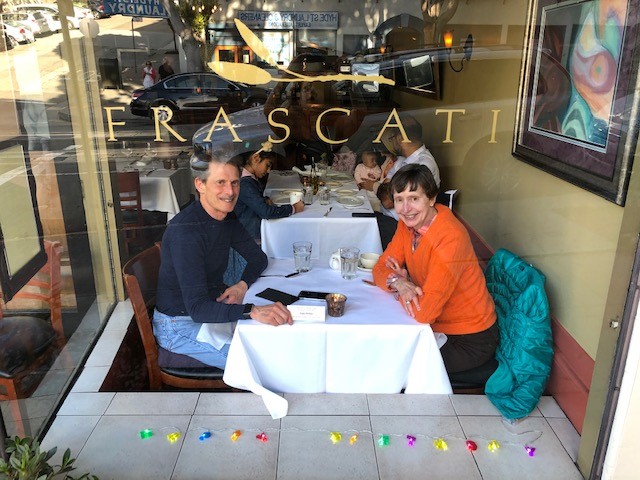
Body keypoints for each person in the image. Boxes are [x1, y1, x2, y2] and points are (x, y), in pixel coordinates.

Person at [153, 151, 293, 370]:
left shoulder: (226, 217)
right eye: (220, 182)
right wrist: (252, 310)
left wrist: (241, 285)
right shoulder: (186, 232)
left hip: (213, 310)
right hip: (179, 326)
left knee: (281, 339)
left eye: (235, 183)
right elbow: (197, 309)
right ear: (200, 184)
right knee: (263, 363)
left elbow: (258, 258)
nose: (230, 192)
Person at [372, 164, 498, 373]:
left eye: (414, 198)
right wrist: (398, 282)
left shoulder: (450, 238)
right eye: (399, 199)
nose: (405, 209)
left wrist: (404, 284)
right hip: (434, 325)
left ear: (431, 199)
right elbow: (379, 268)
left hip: (468, 338)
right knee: (378, 345)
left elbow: (424, 313)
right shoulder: (407, 225)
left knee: (392, 363)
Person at [234, 142, 304, 242]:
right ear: (255, 158)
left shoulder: (249, 179)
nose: (268, 171)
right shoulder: (245, 184)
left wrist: (264, 200)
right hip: (250, 237)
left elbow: (251, 200)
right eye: (267, 165)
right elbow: (265, 212)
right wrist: (293, 208)